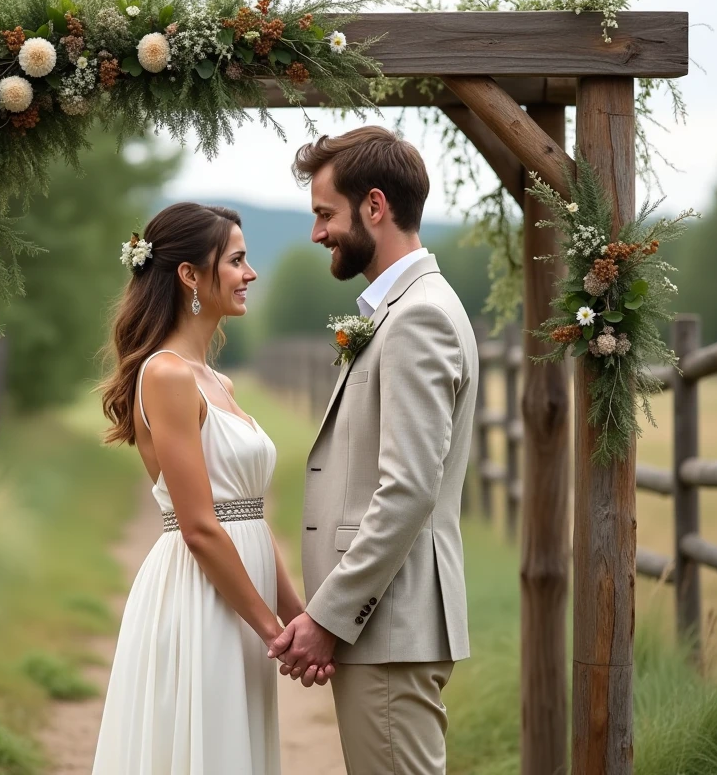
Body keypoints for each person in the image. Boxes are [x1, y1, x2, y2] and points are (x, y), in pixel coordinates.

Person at [268, 126, 479, 774]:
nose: (316, 233)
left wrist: (330, 616)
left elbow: (408, 489)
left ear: (376, 207)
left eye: (325, 214)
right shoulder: (403, 309)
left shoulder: (419, 317)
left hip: (389, 624)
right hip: (384, 627)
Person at [91, 202, 321, 775]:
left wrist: (299, 617)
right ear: (190, 275)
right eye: (238, 260)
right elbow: (198, 525)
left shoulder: (218, 381)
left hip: (243, 595)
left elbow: (245, 511)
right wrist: (273, 632)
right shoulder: (165, 374)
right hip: (201, 597)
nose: (252, 274)